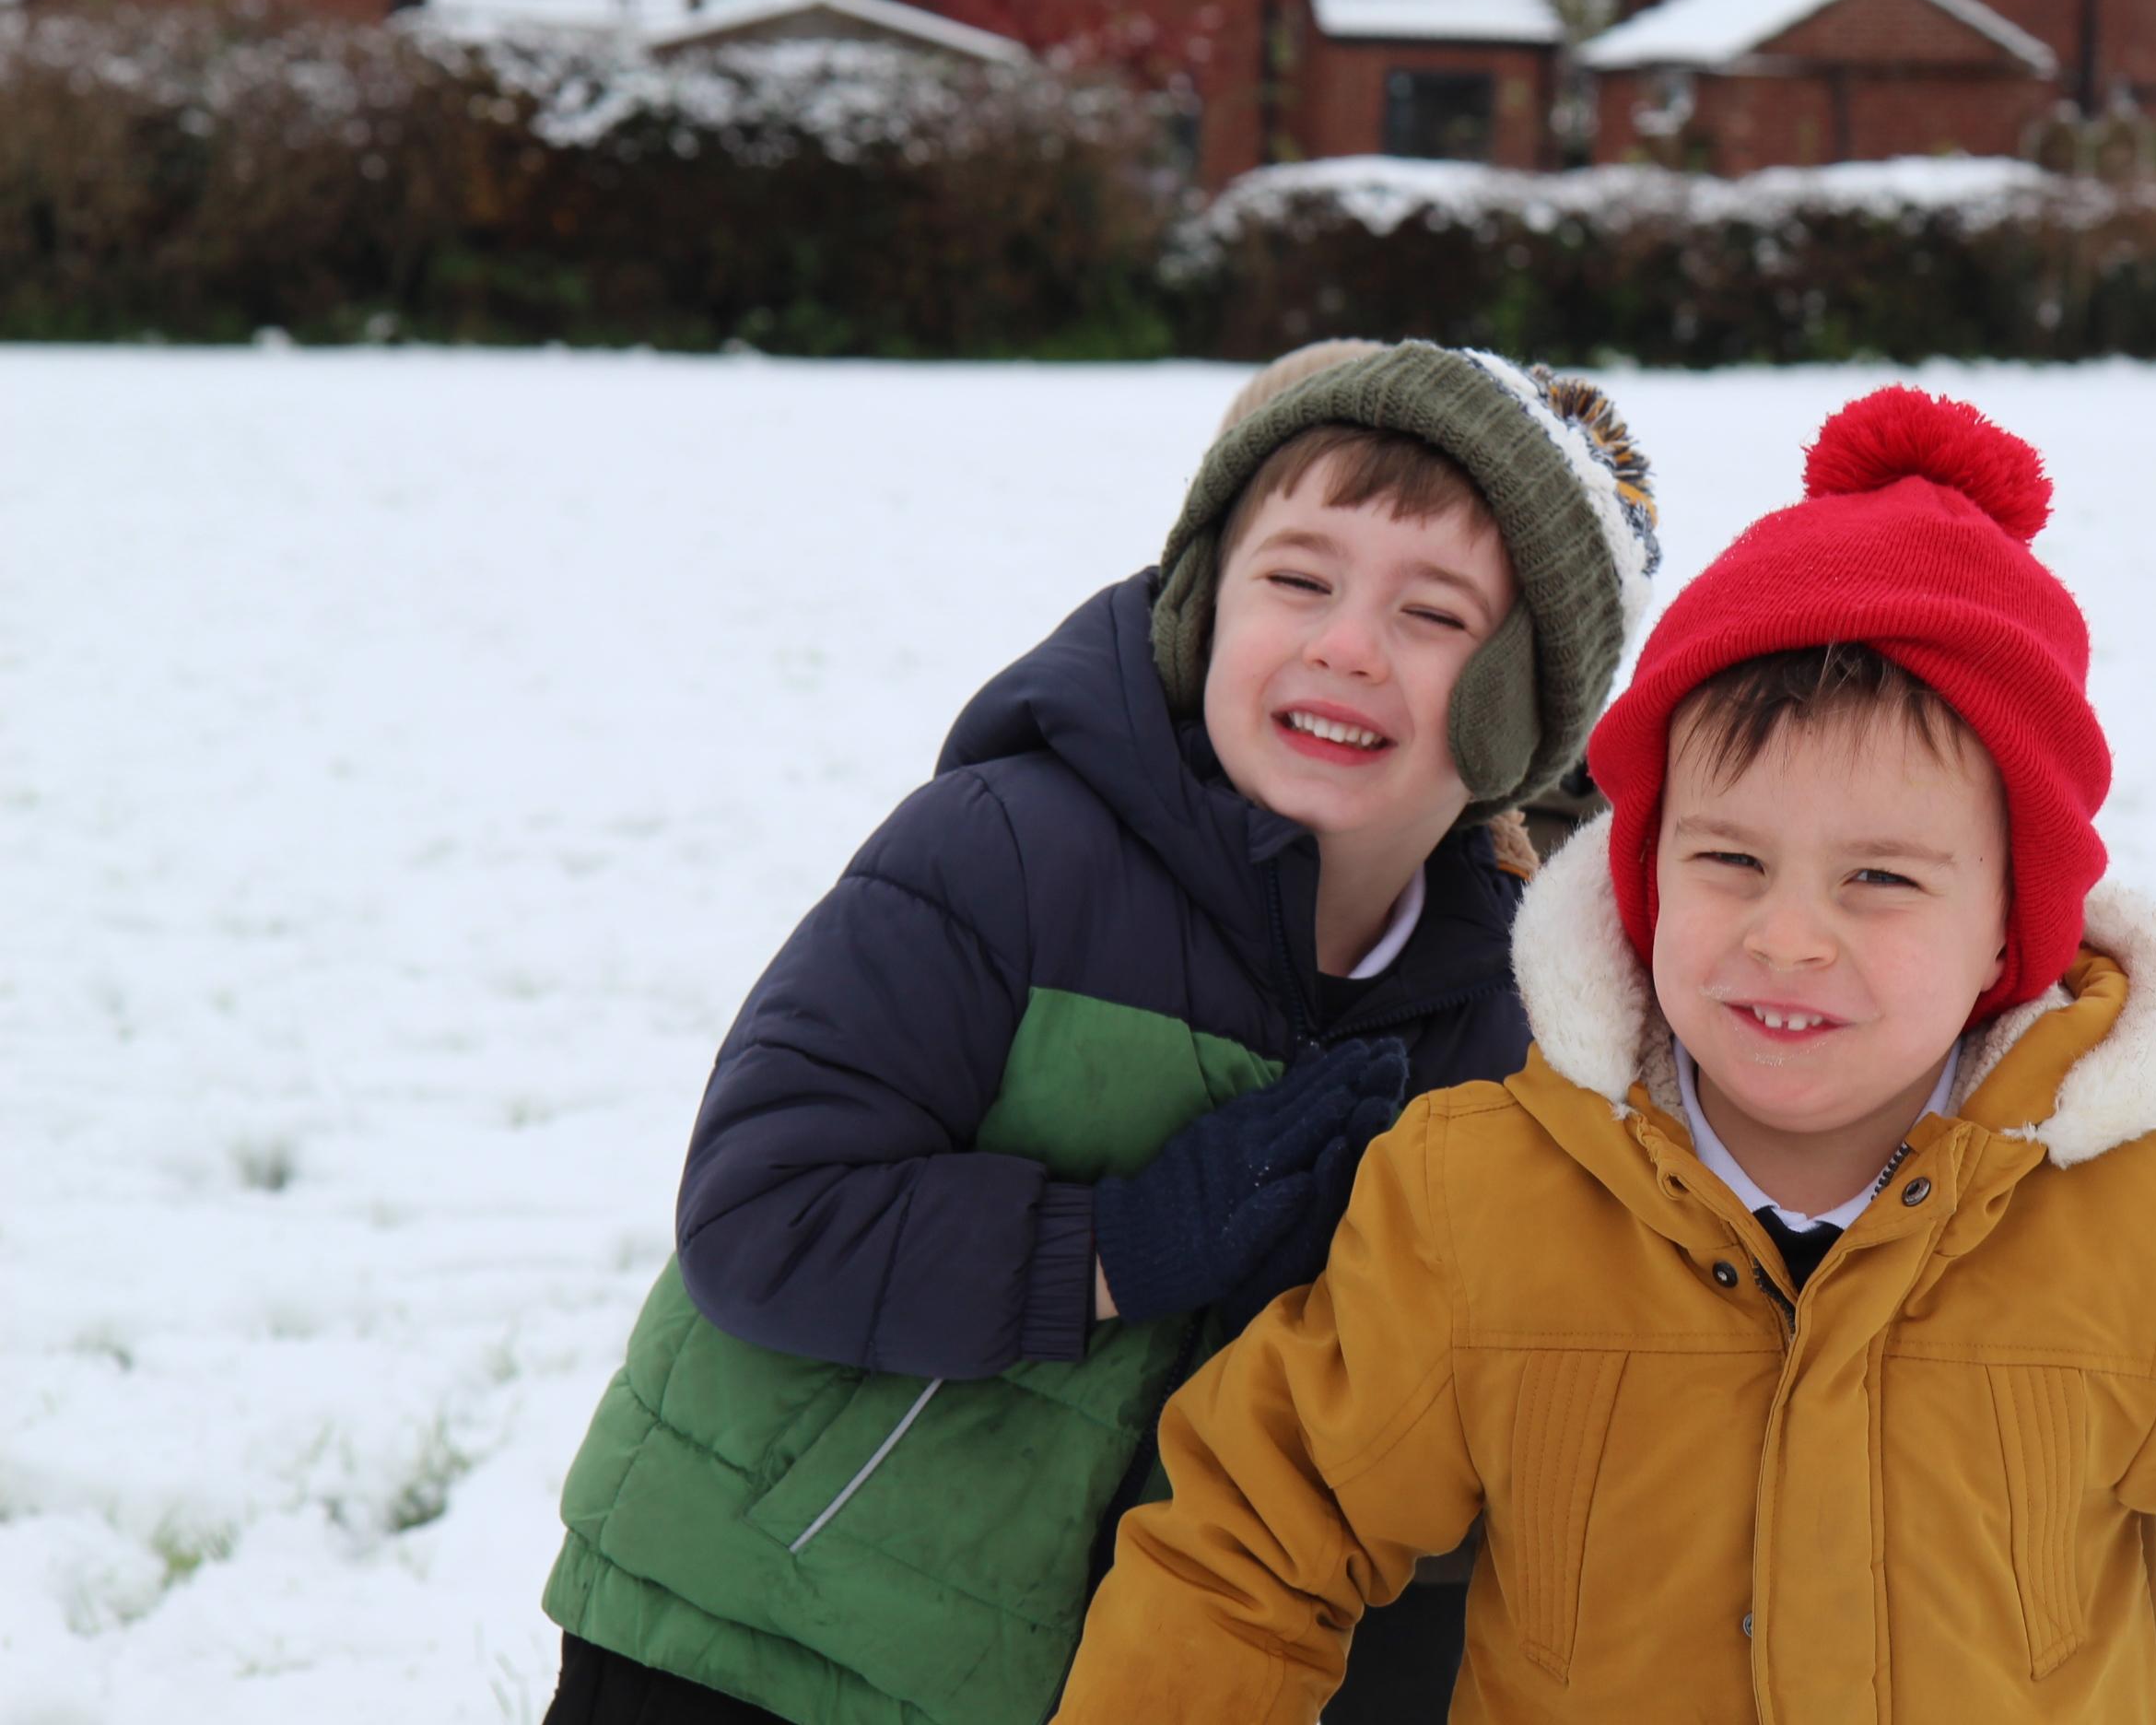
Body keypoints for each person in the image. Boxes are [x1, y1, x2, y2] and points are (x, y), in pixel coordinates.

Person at [1055, 386, 2156, 1721]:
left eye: (1881, 879)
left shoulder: (2146, 1233)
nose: (1789, 938)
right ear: (1645, 879)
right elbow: (1250, 1546)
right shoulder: (1480, 1208)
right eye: (1729, 861)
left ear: (2010, 927)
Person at [537, 341, 1659, 1725]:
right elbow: (760, 1219)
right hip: (743, 1643)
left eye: (1432, 615)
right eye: (1297, 580)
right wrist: (1123, 1249)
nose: (1347, 645)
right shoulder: (1007, 853)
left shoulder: (1507, 1027)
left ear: (1524, 711)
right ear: (1199, 605)